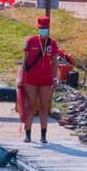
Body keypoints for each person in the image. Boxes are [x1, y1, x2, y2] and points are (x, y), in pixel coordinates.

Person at [21, 16, 60, 144]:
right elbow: (25, 61)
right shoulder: (31, 41)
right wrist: (21, 78)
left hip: (46, 80)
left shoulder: (52, 43)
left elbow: (54, 63)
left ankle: (43, 135)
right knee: (31, 106)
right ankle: (28, 134)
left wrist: (55, 78)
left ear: (48, 29)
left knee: (44, 107)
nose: (43, 31)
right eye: (41, 29)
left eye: (45, 29)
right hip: (31, 79)